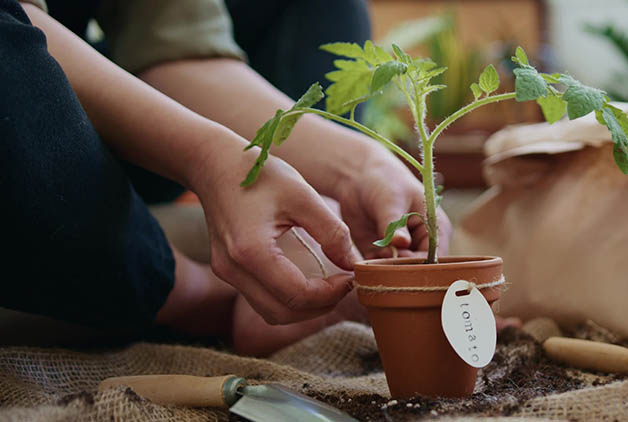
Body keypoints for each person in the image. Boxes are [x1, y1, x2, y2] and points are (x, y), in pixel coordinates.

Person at [0, 0, 453, 355]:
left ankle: (291, 227)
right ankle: (198, 295)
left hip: (115, 130)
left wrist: (361, 165)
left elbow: (179, 53)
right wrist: (208, 158)